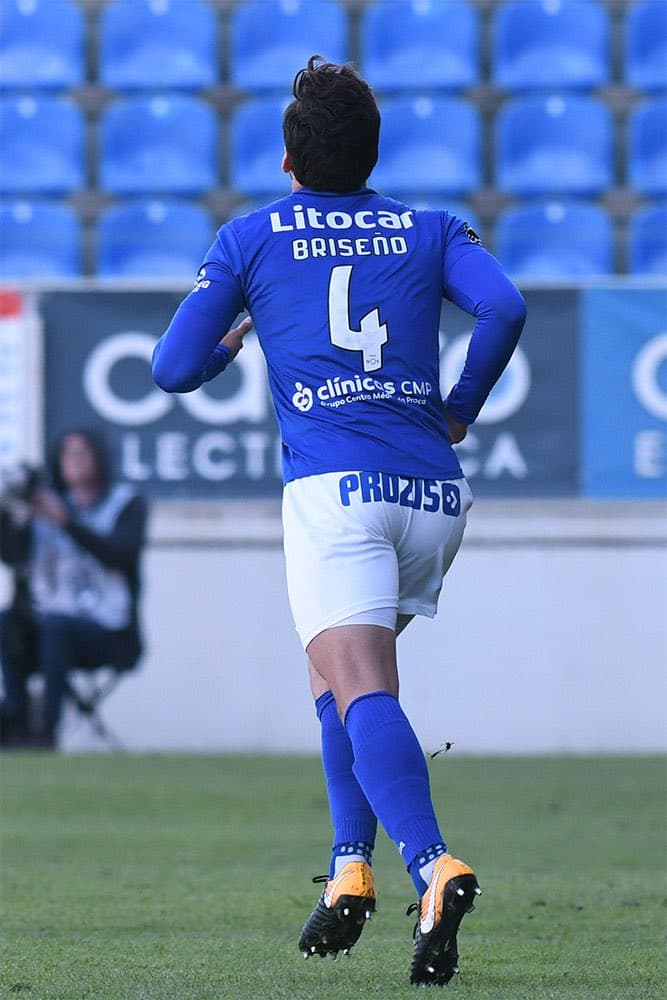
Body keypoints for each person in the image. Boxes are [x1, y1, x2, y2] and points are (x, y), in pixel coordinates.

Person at [152, 56, 527, 986]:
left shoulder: (251, 237)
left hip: (335, 493)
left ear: (289, 157)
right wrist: (460, 407)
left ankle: (432, 864)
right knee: (335, 681)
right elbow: (504, 306)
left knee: (362, 693)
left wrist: (229, 342)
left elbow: (170, 367)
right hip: (434, 495)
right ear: (370, 154)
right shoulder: (429, 226)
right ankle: (347, 869)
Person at [0, 428, 147, 749]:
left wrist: (66, 522)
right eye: (68, 454)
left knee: (56, 627)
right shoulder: (41, 508)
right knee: (7, 622)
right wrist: (10, 515)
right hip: (46, 627)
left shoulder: (125, 504)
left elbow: (119, 554)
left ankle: (47, 729)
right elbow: (12, 556)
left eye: (82, 453)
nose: (74, 462)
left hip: (106, 631)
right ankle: (15, 723)